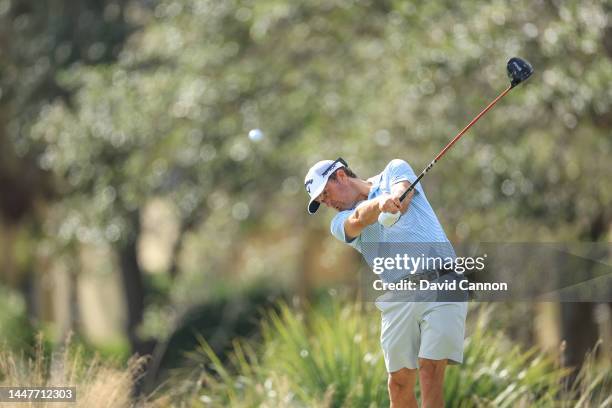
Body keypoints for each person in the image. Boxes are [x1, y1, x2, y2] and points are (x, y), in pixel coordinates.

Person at [304, 157, 467, 408]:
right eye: (321, 201)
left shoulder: (394, 169)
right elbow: (359, 218)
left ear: (340, 176)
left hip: (442, 280)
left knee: (430, 370)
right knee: (398, 384)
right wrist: (380, 204)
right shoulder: (338, 223)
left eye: (326, 193)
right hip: (399, 295)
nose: (328, 202)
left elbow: (404, 190)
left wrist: (395, 198)